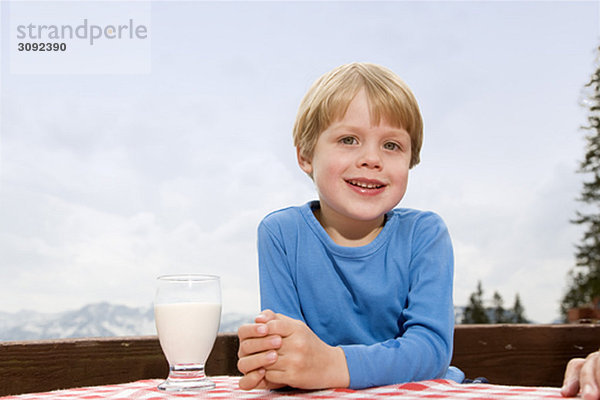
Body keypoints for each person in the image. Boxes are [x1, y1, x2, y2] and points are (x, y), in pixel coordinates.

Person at [237, 62, 464, 390]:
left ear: (411, 159)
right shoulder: (281, 234)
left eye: (391, 145)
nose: (372, 159)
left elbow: (431, 351)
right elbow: (288, 352)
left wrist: (332, 364)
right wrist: (270, 355)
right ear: (306, 156)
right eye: (348, 139)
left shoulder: (425, 234)